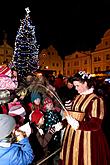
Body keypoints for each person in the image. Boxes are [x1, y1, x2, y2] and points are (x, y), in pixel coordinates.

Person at [59, 71, 110, 165]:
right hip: (72, 137)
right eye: (75, 86)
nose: (76, 88)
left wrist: (77, 124)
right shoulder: (77, 97)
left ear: (85, 83)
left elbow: (96, 125)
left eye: (77, 85)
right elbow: (72, 116)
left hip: (88, 139)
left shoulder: (96, 100)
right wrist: (63, 123)